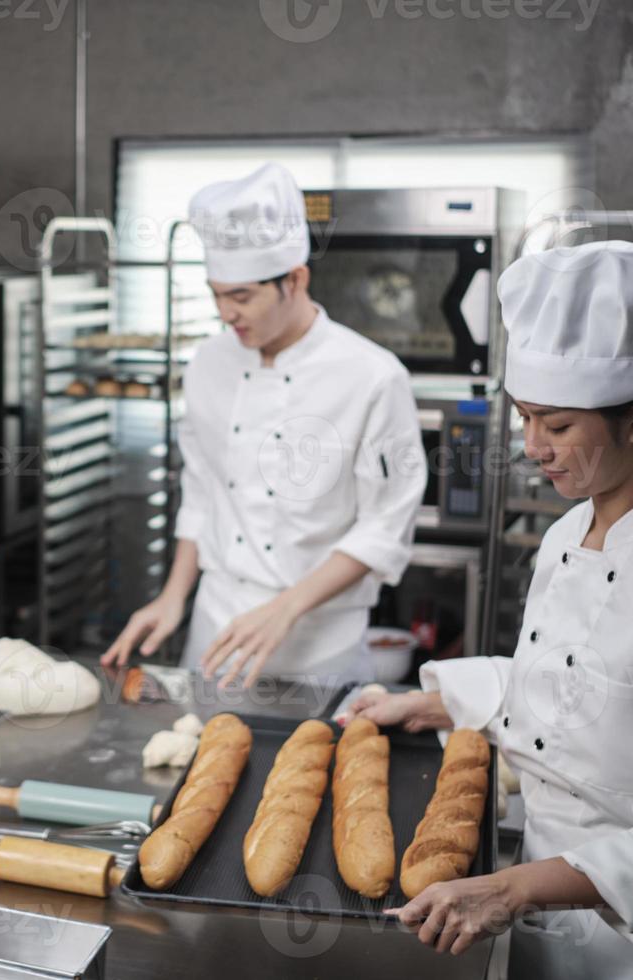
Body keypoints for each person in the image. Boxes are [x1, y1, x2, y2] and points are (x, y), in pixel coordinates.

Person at [349, 241, 633, 978]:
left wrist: (510, 889)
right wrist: (436, 703)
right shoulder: (570, 531)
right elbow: (567, 689)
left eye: (557, 425)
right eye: (525, 418)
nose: (533, 447)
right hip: (545, 912)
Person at [103, 163, 426, 688]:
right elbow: (202, 491)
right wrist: (173, 597)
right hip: (216, 628)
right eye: (216, 294)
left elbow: (384, 526)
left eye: (242, 296)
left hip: (320, 645)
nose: (225, 314)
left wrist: (286, 607)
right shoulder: (208, 363)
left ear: (295, 279)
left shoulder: (372, 376)